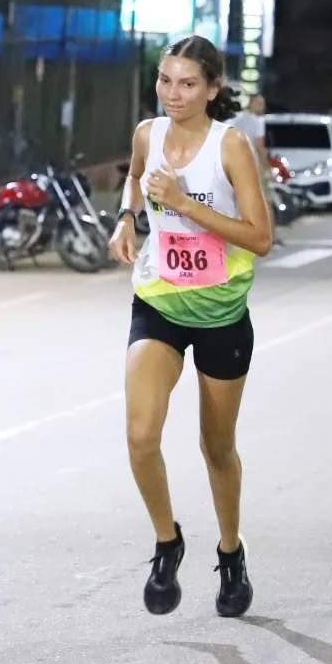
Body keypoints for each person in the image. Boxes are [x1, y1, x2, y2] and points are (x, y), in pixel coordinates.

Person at [108, 35, 273, 619]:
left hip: (222, 311)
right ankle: (166, 542)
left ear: (212, 89)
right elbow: (133, 178)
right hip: (159, 301)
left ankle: (230, 552)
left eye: (187, 84)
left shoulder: (230, 147)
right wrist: (128, 218)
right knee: (139, 434)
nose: (173, 94)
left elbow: (260, 237)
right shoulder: (148, 134)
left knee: (216, 446)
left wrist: (183, 202)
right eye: (165, 80)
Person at [229, 93, 284, 247]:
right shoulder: (258, 121)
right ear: (251, 104)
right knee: (267, 200)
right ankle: (272, 237)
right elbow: (260, 146)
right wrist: (267, 168)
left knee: (237, 202)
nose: (262, 107)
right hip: (253, 165)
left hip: (235, 166)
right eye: (259, 103)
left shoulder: (234, 120)